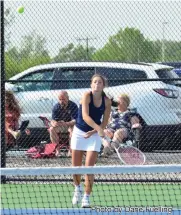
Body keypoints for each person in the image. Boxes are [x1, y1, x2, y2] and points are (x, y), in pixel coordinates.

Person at [71, 74, 112, 208]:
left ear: (103, 86)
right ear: (91, 84)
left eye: (99, 82)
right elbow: (85, 116)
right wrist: (98, 129)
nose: (96, 85)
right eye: (94, 82)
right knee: (75, 167)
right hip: (79, 132)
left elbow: (105, 121)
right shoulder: (86, 96)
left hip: (93, 135)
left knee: (89, 167)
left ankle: (86, 198)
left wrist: (95, 131)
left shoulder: (107, 101)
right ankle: (77, 188)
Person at [49, 91, 78, 156]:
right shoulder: (56, 107)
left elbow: (75, 120)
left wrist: (66, 123)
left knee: (72, 130)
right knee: (51, 129)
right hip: (61, 126)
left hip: (71, 125)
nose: (62, 101)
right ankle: (57, 151)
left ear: (68, 98)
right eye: (60, 99)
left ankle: (70, 151)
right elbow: (53, 120)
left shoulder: (73, 106)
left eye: (63, 99)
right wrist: (54, 123)